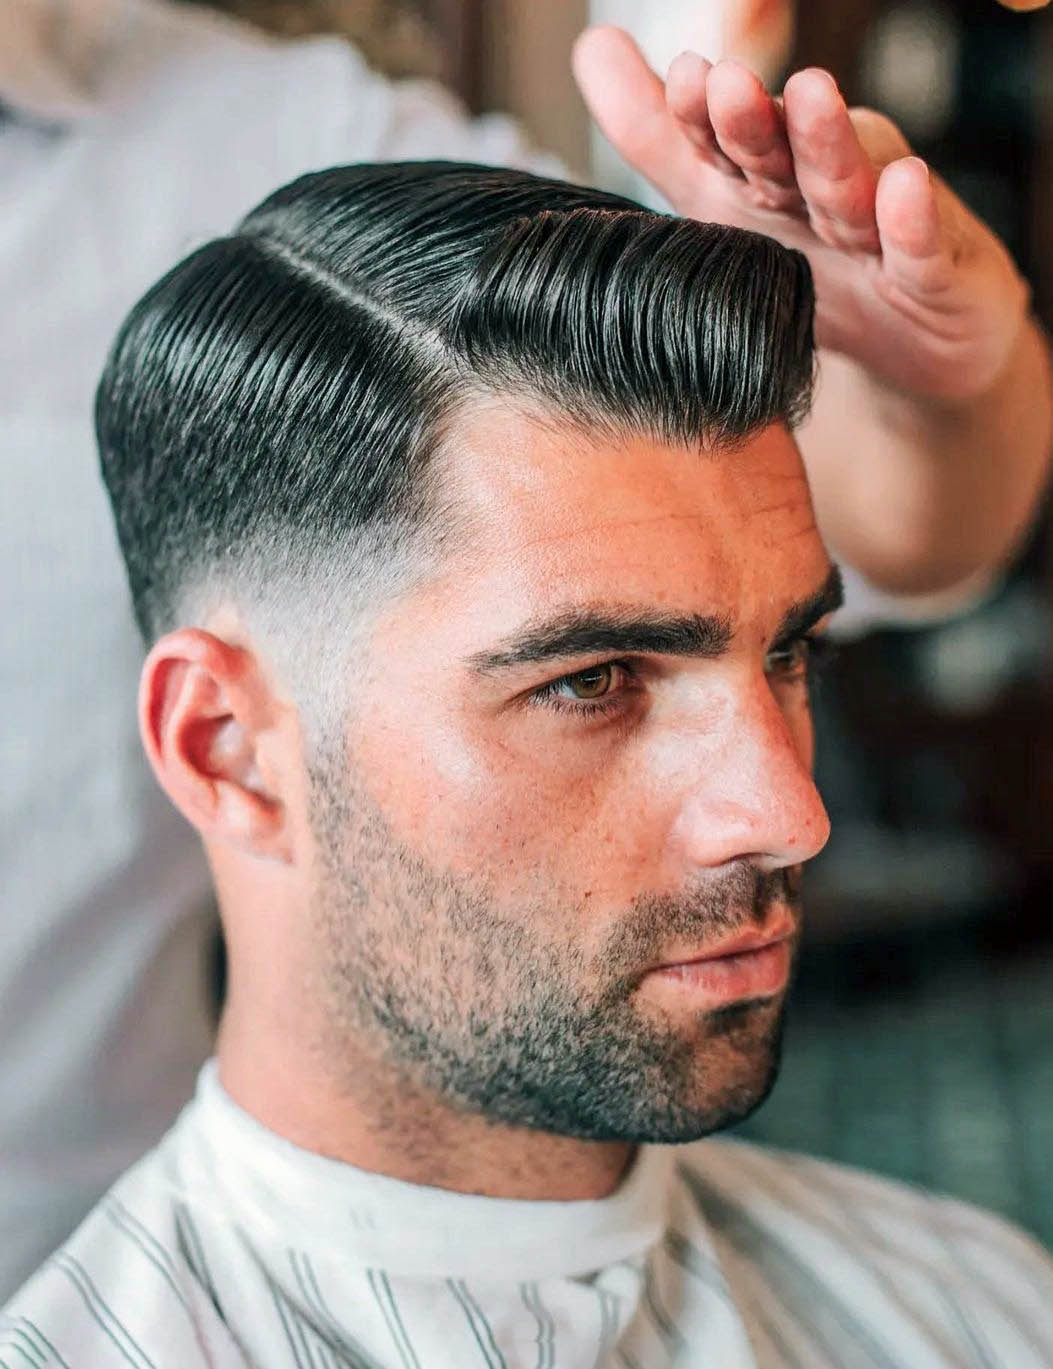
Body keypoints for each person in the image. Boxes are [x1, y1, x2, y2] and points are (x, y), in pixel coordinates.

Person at [2, 1, 1050, 1302]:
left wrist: (950, 361)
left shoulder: (984, 1303)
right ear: (223, 747)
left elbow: (786, 517)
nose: (790, 816)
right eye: (591, 679)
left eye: (794, 654)